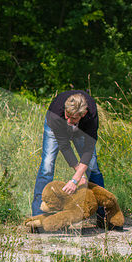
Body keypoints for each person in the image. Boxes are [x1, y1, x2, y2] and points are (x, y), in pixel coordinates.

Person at [31, 89, 107, 226]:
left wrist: (76, 177)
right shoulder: (57, 114)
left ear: (83, 114)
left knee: (93, 167)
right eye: (67, 116)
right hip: (55, 126)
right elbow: (64, 146)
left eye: (73, 118)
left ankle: (104, 216)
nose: (69, 121)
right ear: (65, 110)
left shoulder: (91, 115)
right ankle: (38, 216)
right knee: (47, 165)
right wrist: (79, 176)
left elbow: (89, 150)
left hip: (82, 130)